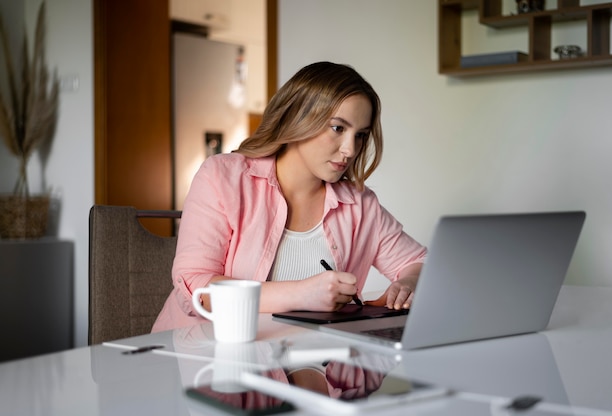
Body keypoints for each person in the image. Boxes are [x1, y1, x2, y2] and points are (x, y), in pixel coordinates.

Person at [152, 61, 427, 333]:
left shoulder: (360, 204)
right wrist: (301, 294)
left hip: (308, 361)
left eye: (361, 135)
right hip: (202, 357)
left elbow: (422, 264)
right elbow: (196, 286)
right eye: (338, 128)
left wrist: (408, 283)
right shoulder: (222, 176)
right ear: (299, 117)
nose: (350, 149)